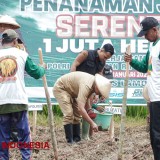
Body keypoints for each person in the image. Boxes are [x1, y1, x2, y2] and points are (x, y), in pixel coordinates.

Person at [0, 29, 46, 160]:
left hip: (1, 102)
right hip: (18, 100)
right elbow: (36, 73)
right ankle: (26, 158)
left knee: (2, 136)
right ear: (15, 41)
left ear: (2, 41)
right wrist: (42, 67)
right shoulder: (22, 54)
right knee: (24, 134)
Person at [124, 17, 160, 160]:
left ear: (154, 30)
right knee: (154, 135)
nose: (145, 37)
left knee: (157, 136)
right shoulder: (152, 47)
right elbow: (144, 67)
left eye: (146, 33)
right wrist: (131, 60)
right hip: (154, 98)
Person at [70, 43, 114, 140]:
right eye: (105, 56)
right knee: (75, 111)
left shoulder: (102, 63)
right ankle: (73, 136)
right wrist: (72, 81)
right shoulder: (86, 54)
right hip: (76, 85)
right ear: (101, 50)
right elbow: (74, 64)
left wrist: (100, 92)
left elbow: (99, 77)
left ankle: (86, 136)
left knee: (88, 110)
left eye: (107, 59)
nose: (105, 59)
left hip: (89, 88)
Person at [53, 71, 111, 143]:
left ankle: (77, 139)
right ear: (97, 86)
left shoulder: (92, 85)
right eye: (100, 92)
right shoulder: (86, 85)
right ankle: (70, 141)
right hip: (62, 88)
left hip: (73, 92)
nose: (99, 94)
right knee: (69, 113)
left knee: (77, 115)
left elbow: (85, 101)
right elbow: (81, 108)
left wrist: (91, 108)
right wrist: (92, 123)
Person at [0, 15, 26, 142]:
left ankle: (14, 136)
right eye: (2, 26)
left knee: (14, 109)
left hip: (11, 78)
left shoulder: (17, 43)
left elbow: (22, 56)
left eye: (6, 26)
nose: (3, 28)